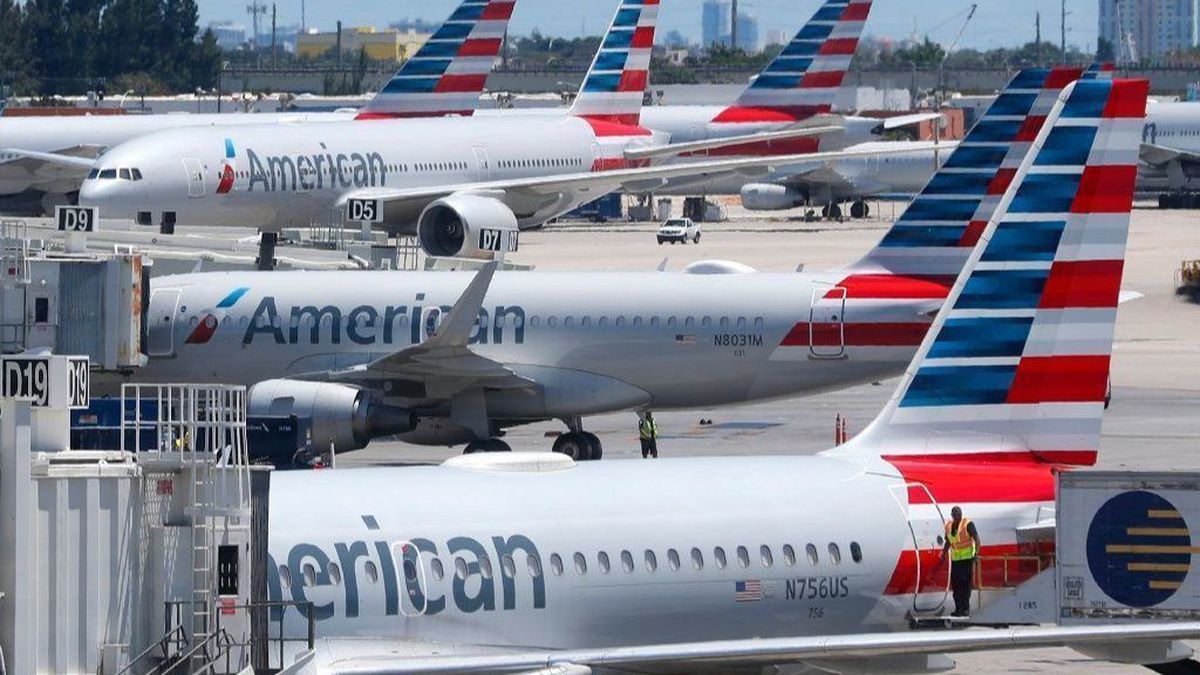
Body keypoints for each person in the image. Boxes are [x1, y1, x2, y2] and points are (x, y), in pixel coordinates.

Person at [940, 506, 981, 618]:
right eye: (955, 513)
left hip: (967, 560)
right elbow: (948, 542)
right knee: (956, 586)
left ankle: (965, 609)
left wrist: (976, 553)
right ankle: (958, 609)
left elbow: (977, 539)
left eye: (959, 513)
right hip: (956, 560)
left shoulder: (967, 524)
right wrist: (943, 554)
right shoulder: (949, 526)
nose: (958, 515)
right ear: (952, 515)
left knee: (965, 586)